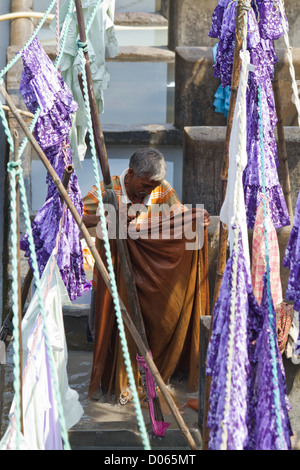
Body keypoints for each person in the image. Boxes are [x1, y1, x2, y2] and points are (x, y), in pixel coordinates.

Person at [82, 147, 210, 403]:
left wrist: (198, 218)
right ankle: (107, 385)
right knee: (104, 335)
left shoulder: (162, 189)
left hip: (147, 279)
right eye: (145, 185)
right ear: (131, 174)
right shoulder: (105, 192)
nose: (149, 191)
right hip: (111, 276)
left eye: (153, 186)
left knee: (146, 332)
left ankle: (144, 378)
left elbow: (179, 216)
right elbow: (77, 217)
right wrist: (107, 219)